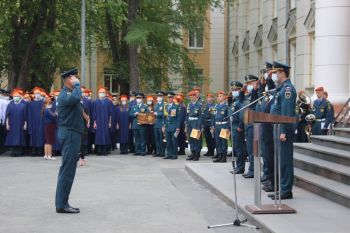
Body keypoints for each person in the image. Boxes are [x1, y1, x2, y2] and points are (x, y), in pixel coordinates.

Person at [55, 67, 83, 213]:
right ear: (69, 79)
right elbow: (76, 98)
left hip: (72, 134)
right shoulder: (65, 94)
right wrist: (77, 85)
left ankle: (61, 202)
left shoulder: (68, 95)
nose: (77, 80)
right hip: (70, 134)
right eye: (75, 78)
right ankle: (61, 205)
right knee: (67, 170)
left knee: (67, 169)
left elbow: (78, 104)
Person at [268, 61, 297, 200]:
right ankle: (281, 188)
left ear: (282, 73)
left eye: (276, 73)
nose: (274, 75)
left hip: (283, 128)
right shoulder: (280, 89)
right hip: (277, 127)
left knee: (285, 160)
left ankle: (286, 190)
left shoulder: (288, 90)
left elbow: (287, 112)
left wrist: (284, 130)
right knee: (280, 160)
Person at [241, 75, 259, 178]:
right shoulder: (247, 96)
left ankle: (253, 170)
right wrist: (243, 90)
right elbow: (240, 99)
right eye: (247, 83)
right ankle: (251, 169)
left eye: (251, 83)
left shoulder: (256, 94)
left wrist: (255, 88)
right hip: (247, 125)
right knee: (249, 149)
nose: (249, 85)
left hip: (253, 126)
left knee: (253, 150)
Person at [229, 81, 245, 173]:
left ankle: (240, 167)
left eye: (236, 89)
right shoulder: (234, 101)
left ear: (240, 90)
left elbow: (241, 115)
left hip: (237, 126)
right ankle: (238, 166)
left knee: (239, 148)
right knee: (235, 147)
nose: (233, 91)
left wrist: (240, 126)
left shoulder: (240, 101)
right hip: (232, 126)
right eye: (232, 89)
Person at [5, 90, 27, 156]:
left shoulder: (23, 105)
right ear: (13, 97)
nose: (16, 97)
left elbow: (25, 116)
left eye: (17, 96)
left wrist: (25, 124)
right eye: (15, 96)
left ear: (20, 97)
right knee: (12, 138)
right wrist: (7, 124)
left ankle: (19, 152)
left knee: (20, 137)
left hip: (20, 124)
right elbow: (7, 116)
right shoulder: (10, 105)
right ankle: (13, 152)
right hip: (12, 124)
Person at [211, 91, 230, 163]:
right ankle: (219, 155)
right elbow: (213, 117)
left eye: (220, 96)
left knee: (223, 142)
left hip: (224, 125)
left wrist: (228, 127)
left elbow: (228, 117)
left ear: (224, 97)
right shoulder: (216, 106)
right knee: (218, 142)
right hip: (217, 126)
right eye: (218, 96)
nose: (218, 97)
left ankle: (224, 157)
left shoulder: (227, 106)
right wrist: (212, 125)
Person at [93, 87, 112, 156]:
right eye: (100, 92)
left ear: (105, 93)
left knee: (106, 135)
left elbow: (110, 113)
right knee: (98, 136)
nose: (102, 94)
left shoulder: (109, 102)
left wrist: (110, 122)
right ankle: (99, 151)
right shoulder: (95, 102)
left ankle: (105, 151)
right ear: (98, 94)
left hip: (106, 121)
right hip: (98, 121)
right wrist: (94, 123)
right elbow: (94, 113)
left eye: (103, 92)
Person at [186, 91, 203, 161]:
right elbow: (187, 115)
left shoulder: (199, 105)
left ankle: (197, 154)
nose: (191, 98)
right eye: (190, 97)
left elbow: (201, 117)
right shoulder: (189, 104)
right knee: (191, 139)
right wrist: (186, 125)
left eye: (193, 96)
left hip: (196, 123)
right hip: (190, 123)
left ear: (196, 97)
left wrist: (199, 127)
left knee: (196, 139)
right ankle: (192, 153)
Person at [163, 92, 181, 160]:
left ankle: (174, 154)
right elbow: (165, 117)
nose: (169, 99)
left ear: (173, 98)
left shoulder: (176, 106)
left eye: (170, 97)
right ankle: (169, 154)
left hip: (174, 126)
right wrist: (164, 125)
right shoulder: (166, 106)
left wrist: (178, 127)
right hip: (167, 126)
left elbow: (178, 118)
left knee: (174, 141)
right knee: (168, 141)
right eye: (168, 97)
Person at [28, 87, 45, 156]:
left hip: (41, 121)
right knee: (33, 136)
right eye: (36, 93)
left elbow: (44, 113)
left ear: (40, 94)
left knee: (40, 136)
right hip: (33, 121)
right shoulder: (31, 103)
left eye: (38, 93)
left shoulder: (43, 103)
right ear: (34, 95)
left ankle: (40, 151)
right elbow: (29, 113)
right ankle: (33, 151)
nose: (37, 94)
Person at [153, 91, 166, 157]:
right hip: (156, 124)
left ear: (163, 97)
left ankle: (162, 152)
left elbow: (165, 114)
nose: (159, 97)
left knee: (162, 139)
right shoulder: (155, 105)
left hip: (161, 124)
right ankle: (158, 151)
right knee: (157, 139)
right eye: (158, 96)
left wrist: (157, 114)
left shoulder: (164, 105)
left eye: (160, 96)